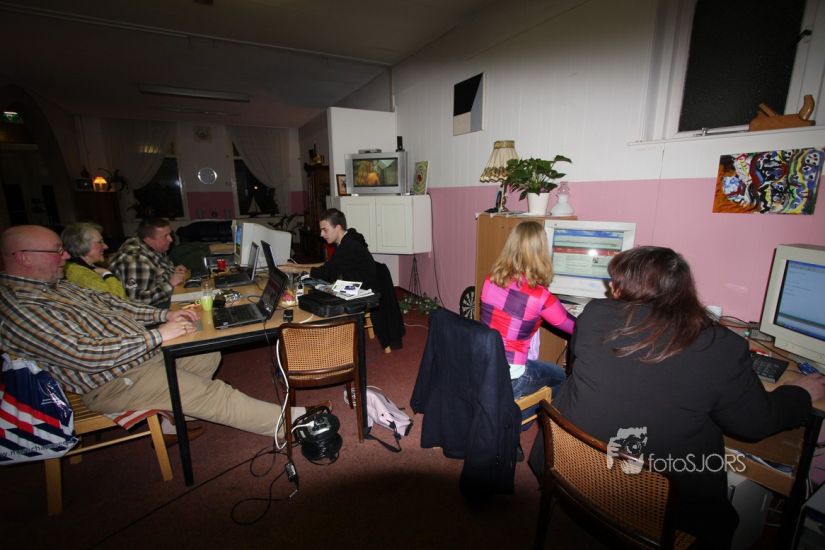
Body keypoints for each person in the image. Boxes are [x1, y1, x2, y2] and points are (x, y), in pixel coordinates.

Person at [551, 246, 825, 547]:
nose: (611, 290)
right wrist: (800, 393)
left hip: (573, 471)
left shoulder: (594, 313)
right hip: (660, 506)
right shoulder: (721, 346)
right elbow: (755, 424)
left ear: (624, 288)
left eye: (614, 283)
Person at [0, 225, 305, 440]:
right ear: (23, 256)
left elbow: (115, 303)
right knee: (212, 394)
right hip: (111, 379)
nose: (65, 256)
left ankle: (176, 413)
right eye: (56, 251)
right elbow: (85, 356)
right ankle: (297, 422)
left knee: (206, 350)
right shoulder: (19, 308)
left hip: (137, 355)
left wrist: (165, 315)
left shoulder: (57, 286)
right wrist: (158, 335)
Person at [479, 221, 575, 402]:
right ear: (541, 252)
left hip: (484, 362)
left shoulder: (489, 280)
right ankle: (521, 412)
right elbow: (574, 328)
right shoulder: (540, 297)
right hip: (512, 375)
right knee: (562, 377)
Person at [108, 218, 188, 308]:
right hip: (143, 310)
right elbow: (137, 301)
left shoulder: (152, 247)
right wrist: (170, 285)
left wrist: (173, 270)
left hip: (157, 300)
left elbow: (158, 271)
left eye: (170, 234)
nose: (170, 239)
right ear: (149, 239)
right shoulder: (135, 261)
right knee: (192, 305)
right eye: (165, 236)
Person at [309, 208, 377, 289]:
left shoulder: (348, 246)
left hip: (364, 293)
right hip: (358, 289)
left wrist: (297, 269)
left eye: (325, 230)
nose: (321, 234)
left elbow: (326, 273)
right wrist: (298, 266)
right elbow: (329, 265)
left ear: (338, 227)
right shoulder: (347, 240)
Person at [61, 222, 126, 299]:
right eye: (100, 242)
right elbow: (118, 299)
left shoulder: (87, 267)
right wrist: (106, 273)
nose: (106, 246)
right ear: (81, 245)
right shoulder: (79, 274)